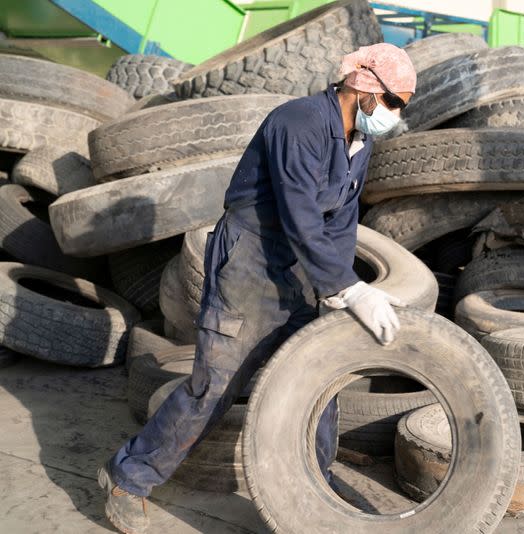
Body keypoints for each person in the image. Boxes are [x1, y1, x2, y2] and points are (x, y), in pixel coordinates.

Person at [96, 43, 416, 534]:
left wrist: (341, 285)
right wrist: (348, 289)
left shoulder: (358, 139)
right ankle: (128, 478)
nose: (396, 115)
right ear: (365, 87)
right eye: (395, 102)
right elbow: (299, 213)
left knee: (317, 378)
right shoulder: (299, 122)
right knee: (215, 388)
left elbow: (342, 220)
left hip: (302, 264)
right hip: (250, 257)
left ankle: (314, 485)